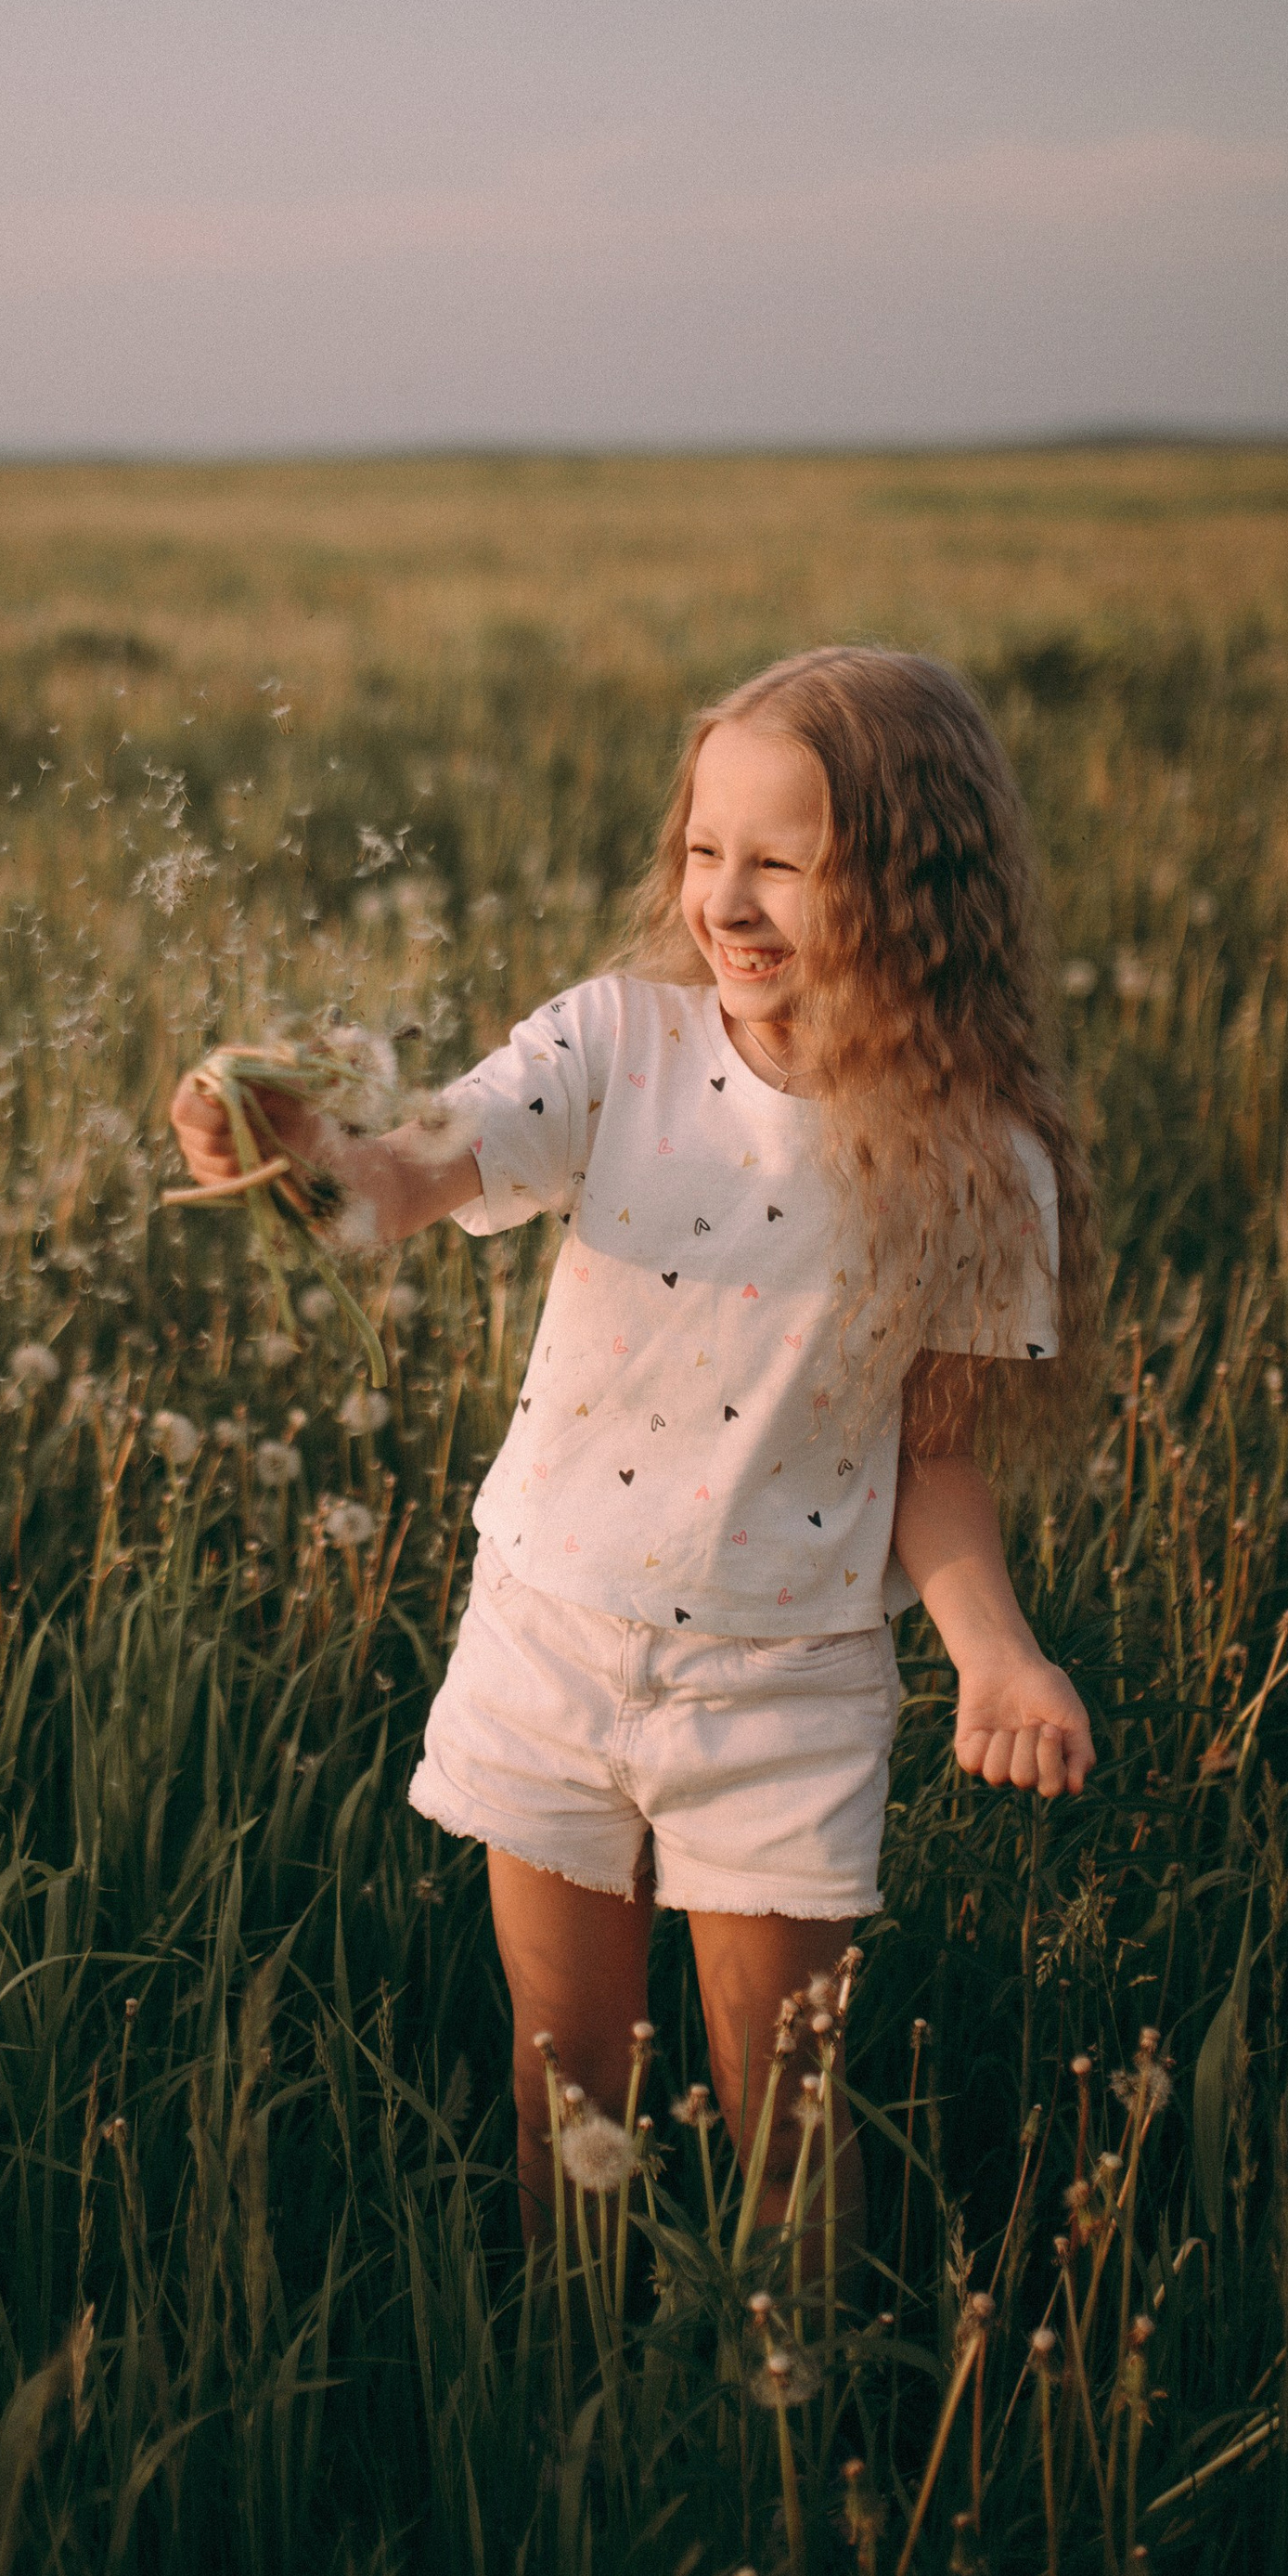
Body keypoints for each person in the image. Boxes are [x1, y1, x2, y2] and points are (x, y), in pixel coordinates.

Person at [168, 644, 1099, 2259]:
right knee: (565, 2085)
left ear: (917, 883)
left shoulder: (975, 1162)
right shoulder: (614, 1045)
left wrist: (997, 1656)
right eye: (704, 850)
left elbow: (935, 1457)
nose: (725, 901)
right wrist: (297, 1152)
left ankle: (793, 2399)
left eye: (783, 865)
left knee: (782, 2106)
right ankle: (571, 2370)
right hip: (553, 1635)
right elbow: (409, 1178)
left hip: (781, 1681)